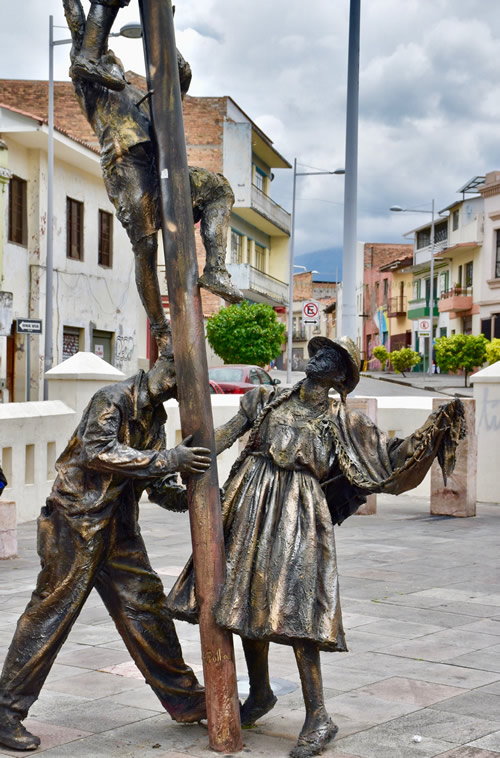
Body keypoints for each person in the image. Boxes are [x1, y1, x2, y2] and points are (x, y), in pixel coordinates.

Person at [168, 336, 465, 758]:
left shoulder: (346, 421)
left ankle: (318, 715)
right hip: (249, 501)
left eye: (333, 356)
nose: (319, 357)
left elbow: (387, 461)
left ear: (341, 376)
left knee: (297, 605)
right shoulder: (266, 400)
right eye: (319, 351)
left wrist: (433, 432)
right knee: (245, 600)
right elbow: (222, 438)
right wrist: (177, 459)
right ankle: (262, 692)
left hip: (298, 511)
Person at [0, 354, 212, 751]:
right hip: (75, 525)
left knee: (147, 611)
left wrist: (191, 496)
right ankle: (5, 711)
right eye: (177, 377)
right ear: (162, 369)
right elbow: (99, 451)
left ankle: (184, 699)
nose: (177, 388)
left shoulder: (156, 420)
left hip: (118, 531)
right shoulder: (112, 399)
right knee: (50, 617)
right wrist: (169, 459)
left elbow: (156, 483)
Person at [63, 0, 242, 356]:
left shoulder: (132, 90)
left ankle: (217, 270)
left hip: (161, 165)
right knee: (145, 248)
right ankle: (160, 330)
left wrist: (166, 33)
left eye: (113, 57)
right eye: (104, 56)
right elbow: (80, 29)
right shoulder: (90, 82)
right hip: (125, 165)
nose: (111, 59)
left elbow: (177, 84)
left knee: (218, 189)